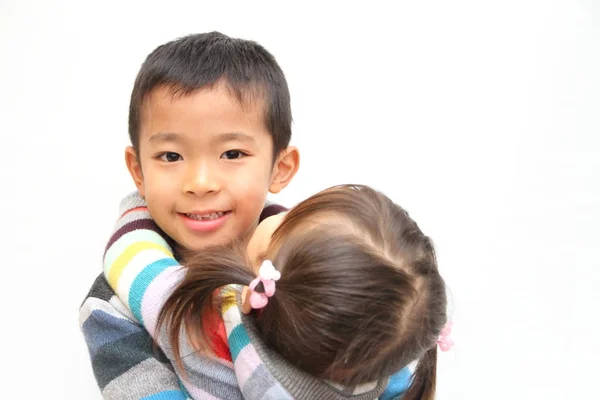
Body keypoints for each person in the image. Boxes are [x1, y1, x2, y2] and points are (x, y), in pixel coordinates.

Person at [79, 31, 299, 399]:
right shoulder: (112, 307)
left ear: (280, 167)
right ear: (138, 171)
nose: (199, 183)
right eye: (171, 156)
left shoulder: (317, 262)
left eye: (231, 154)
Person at [104, 184, 450, 400]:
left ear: (262, 272)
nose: (276, 214)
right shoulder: (374, 361)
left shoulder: (211, 325)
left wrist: (141, 202)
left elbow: (131, 261)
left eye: (287, 218)